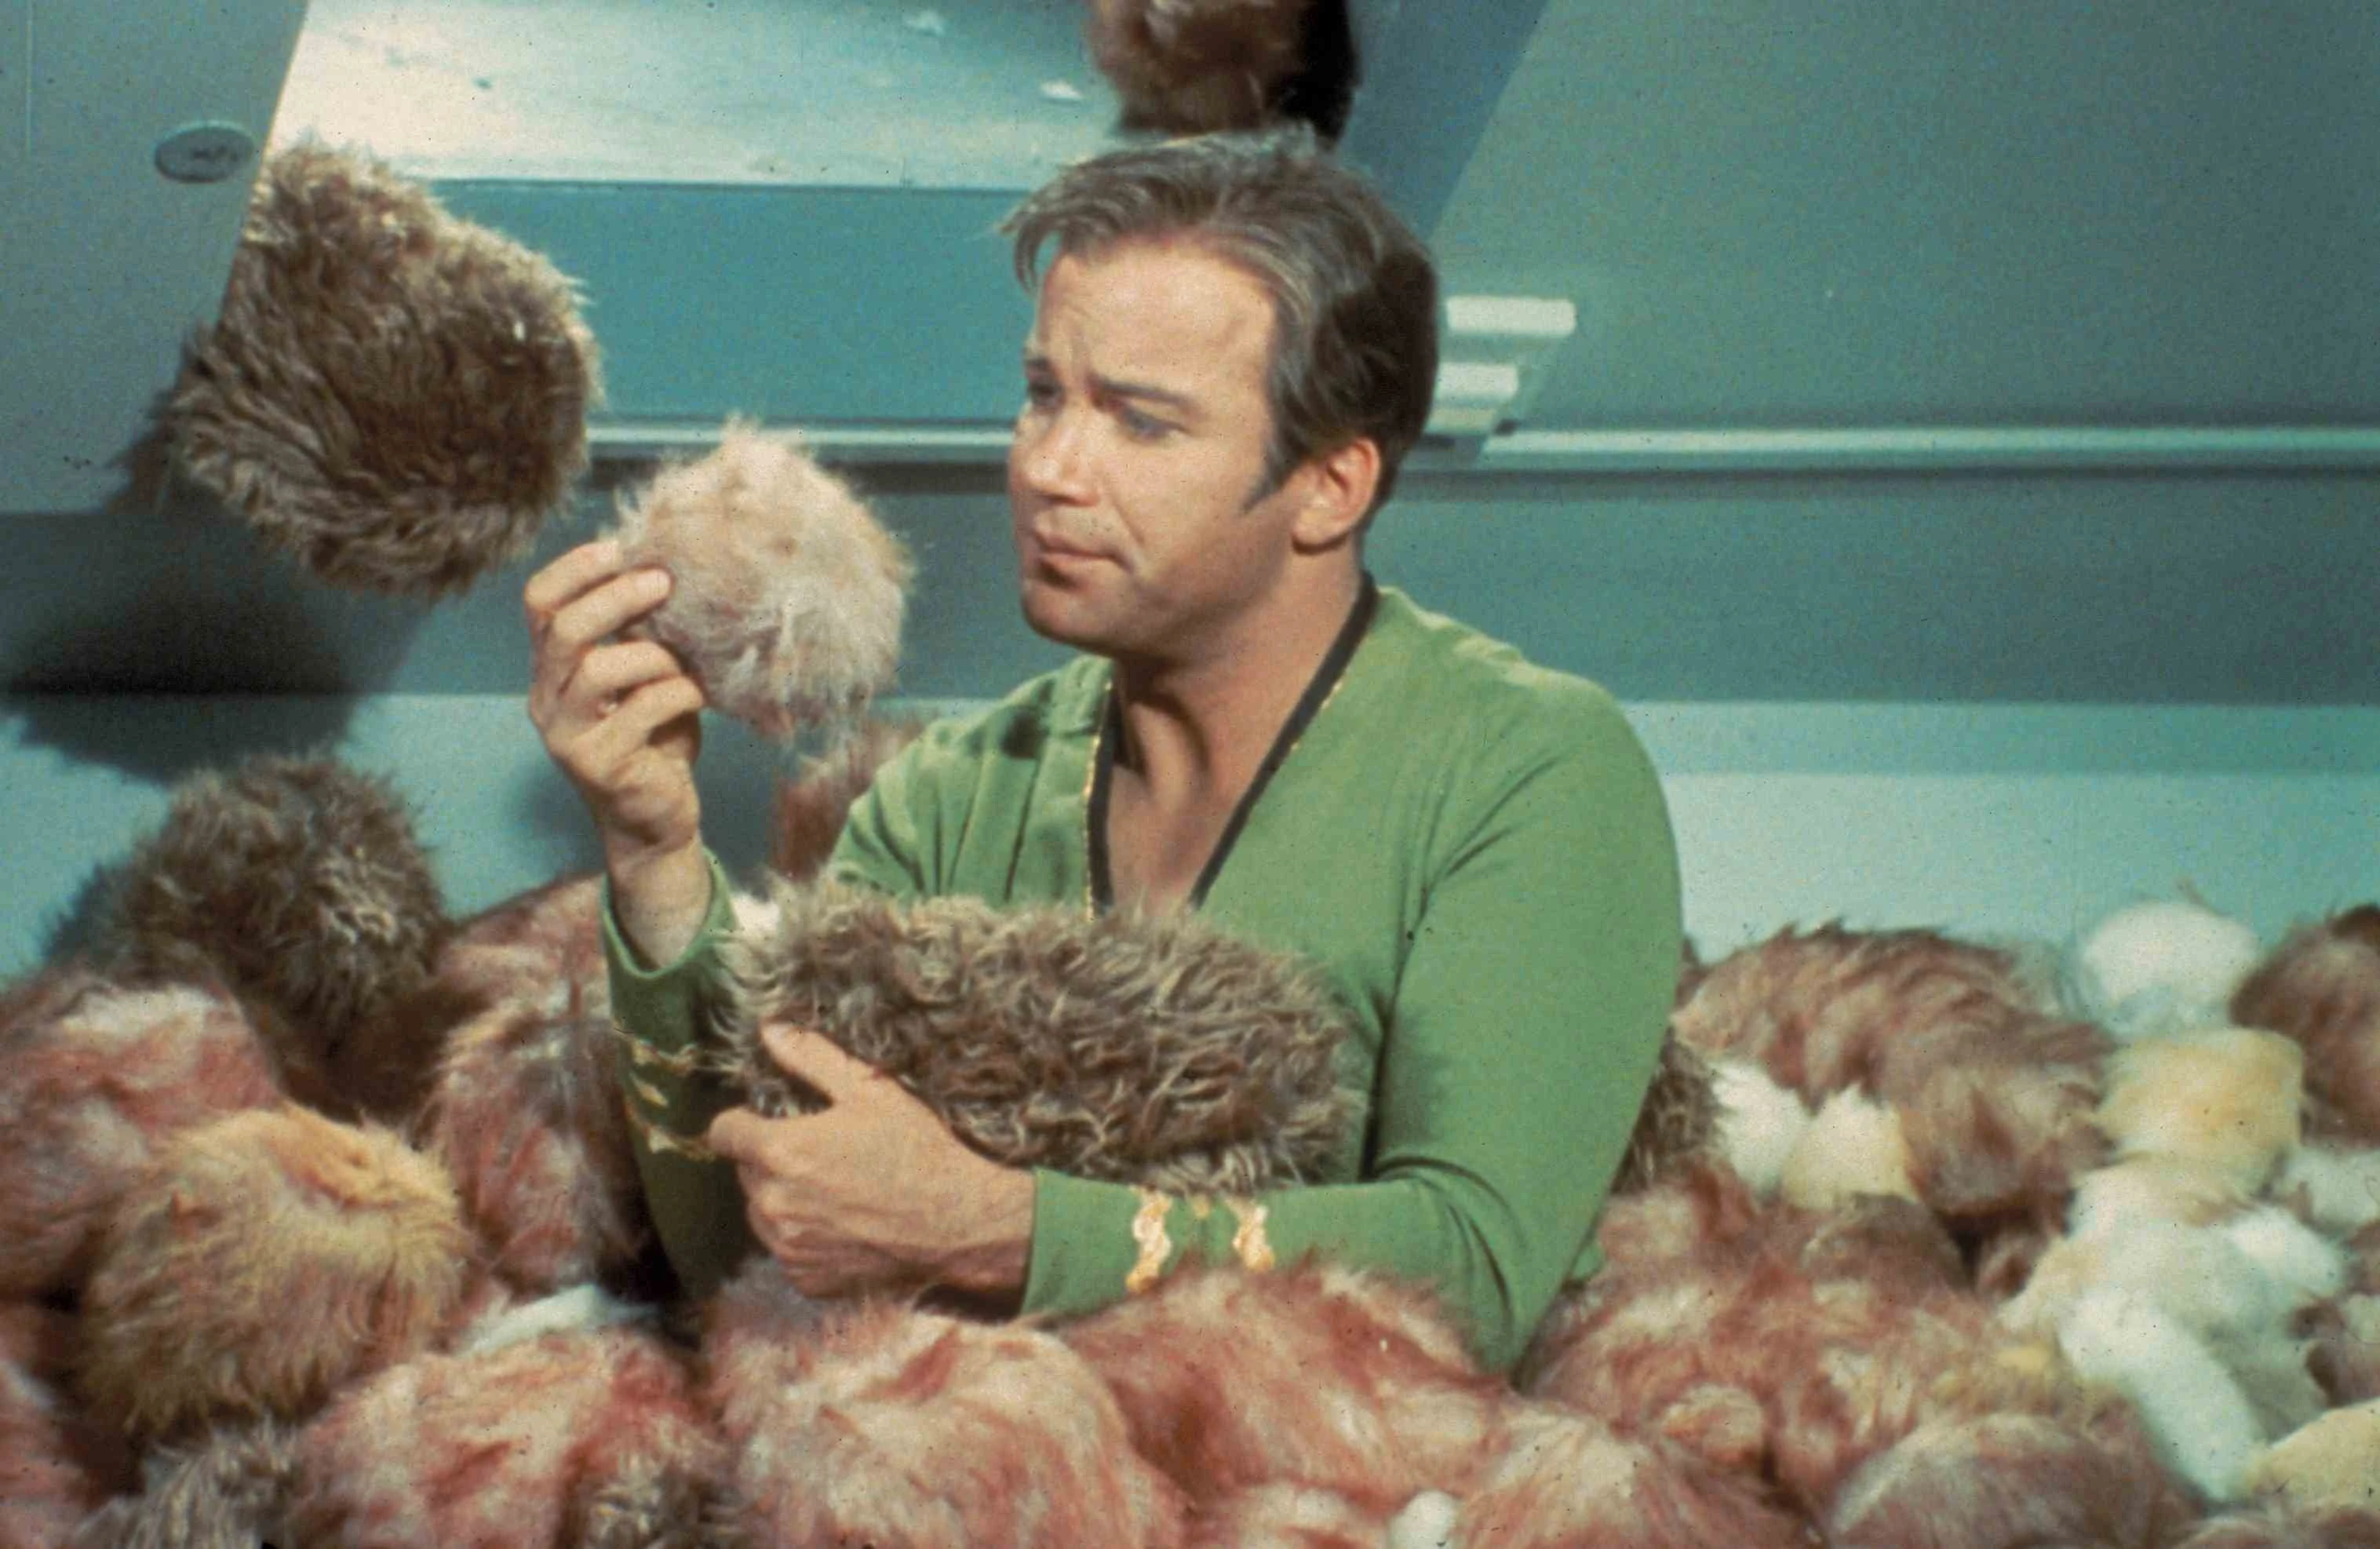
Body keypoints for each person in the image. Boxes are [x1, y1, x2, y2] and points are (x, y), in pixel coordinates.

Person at [523, 130, 1681, 1374]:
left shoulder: (1531, 768)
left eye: (1141, 422)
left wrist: (1002, 1229)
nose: (1047, 468)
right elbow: (754, 1263)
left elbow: (1477, 1269)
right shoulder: (948, 796)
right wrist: (652, 853)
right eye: (1044, 394)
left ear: (1332, 485)